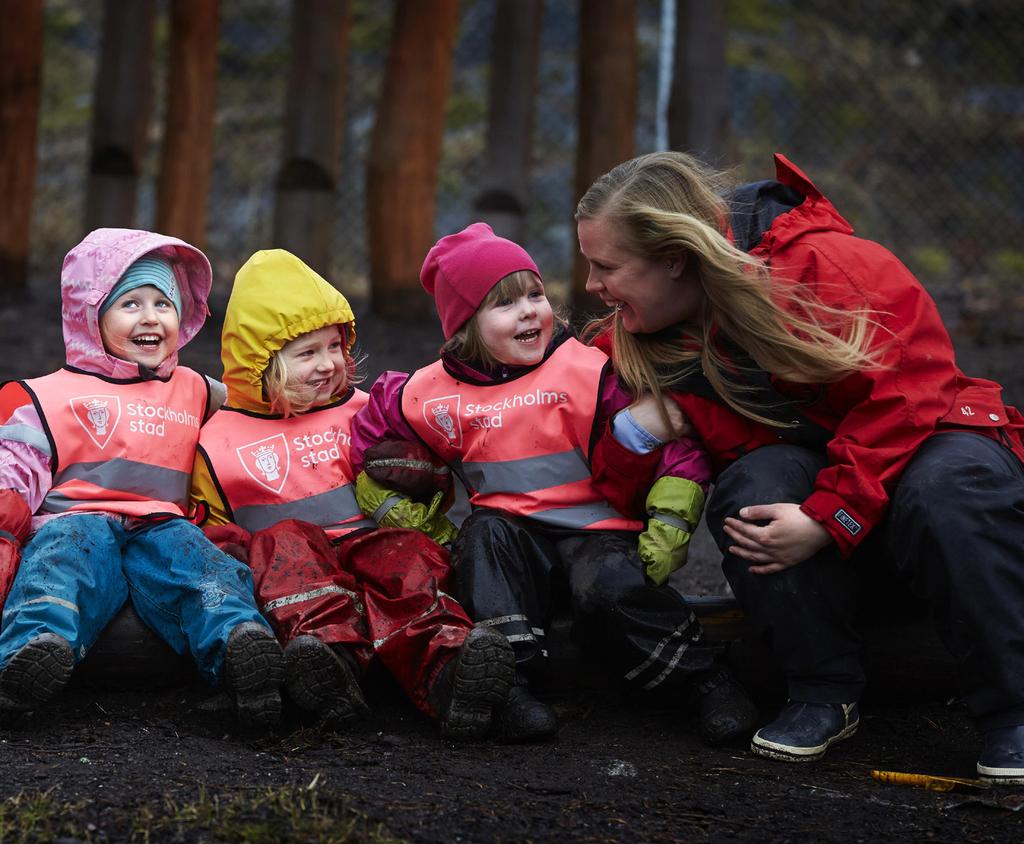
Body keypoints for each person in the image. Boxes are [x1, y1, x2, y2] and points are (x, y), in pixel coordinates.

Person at [575, 150, 1024, 782]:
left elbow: (908, 395)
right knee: (754, 487)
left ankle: (1014, 713)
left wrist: (828, 516)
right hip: (843, 500)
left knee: (947, 489)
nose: (592, 285)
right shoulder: (638, 335)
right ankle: (821, 690)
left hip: (931, 441)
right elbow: (603, 471)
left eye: (606, 266)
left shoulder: (829, 267)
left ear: (674, 257)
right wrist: (638, 431)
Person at [350, 222, 757, 745]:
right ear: (465, 328)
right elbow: (374, 436)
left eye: (535, 294)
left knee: (608, 588)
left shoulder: (590, 369)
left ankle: (703, 679)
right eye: (505, 304)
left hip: (600, 528)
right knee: (481, 539)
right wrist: (392, 496)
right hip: (512, 533)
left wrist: (671, 519)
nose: (528, 311)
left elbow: (673, 441)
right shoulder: (430, 392)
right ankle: (511, 686)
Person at [190, 248, 515, 740]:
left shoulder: (367, 412)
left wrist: (424, 485)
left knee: (408, 564)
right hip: (294, 570)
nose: (328, 364)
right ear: (261, 362)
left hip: (372, 542)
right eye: (307, 353)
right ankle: (329, 671)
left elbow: (426, 488)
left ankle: (450, 672)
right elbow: (211, 527)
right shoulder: (217, 440)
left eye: (334, 347)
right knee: (285, 542)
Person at [0, 228, 284, 729]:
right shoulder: (47, 396)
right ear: (91, 315)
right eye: (130, 303)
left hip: (160, 524)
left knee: (201, 567)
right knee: (62, 563)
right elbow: (14, 471)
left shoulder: (197, 390)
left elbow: (252, 416)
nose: (151, 317)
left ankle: (242, 650)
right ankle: (32, 654)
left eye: (164, 303)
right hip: (76, 519)